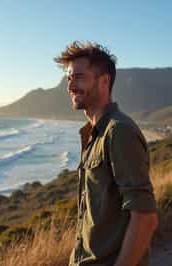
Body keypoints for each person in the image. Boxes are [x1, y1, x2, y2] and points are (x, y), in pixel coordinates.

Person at [54, 41, 158, 266]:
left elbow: (145, 218)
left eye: (79, 77)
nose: (70, 86)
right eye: (69, 78)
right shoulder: (93, 133)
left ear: (104, 81)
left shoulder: (118, 132)